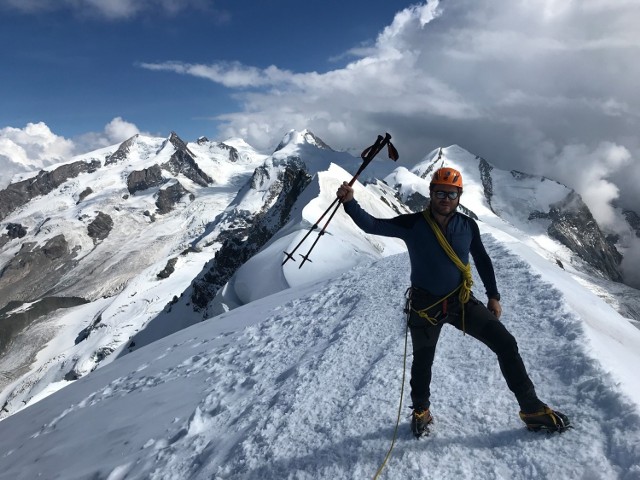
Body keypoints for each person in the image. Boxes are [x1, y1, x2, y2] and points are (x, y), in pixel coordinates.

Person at [336, 166, 570, 438]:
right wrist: (350, 202)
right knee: (423, 362)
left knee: (506, 343)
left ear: (459, 196)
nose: (445, 198)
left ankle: (531, 409)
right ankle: (421, 409)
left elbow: (481, 259)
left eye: (451, 193)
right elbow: (373, 225)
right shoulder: (413, 224)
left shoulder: (467, 226)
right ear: (431, 194)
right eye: (440, 193)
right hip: (425, 307)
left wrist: (493, 295)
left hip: (461, 302)